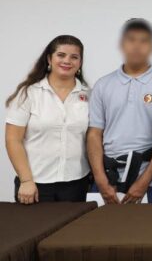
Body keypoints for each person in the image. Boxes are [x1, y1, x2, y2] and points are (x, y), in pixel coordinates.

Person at [87, 19, 152, 204]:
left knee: (149, 232)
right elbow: (94, 133)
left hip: (151, 180)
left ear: (151, 46)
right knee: (102, 232)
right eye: (131, 39)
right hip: (108, 177)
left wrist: (144, 181)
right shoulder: (103, 85)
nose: (136, 46)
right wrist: (100, 179)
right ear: (122, 44)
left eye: (143, 41)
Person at [5, 35, 90, 203]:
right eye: (61, 55)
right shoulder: (28, 93)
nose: (67, 61)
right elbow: (13, 139)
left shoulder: (89, 96)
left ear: (80, 63)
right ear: (49, 59)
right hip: (35, 185)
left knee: (74, 230)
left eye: (74, 57)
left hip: (77, 184)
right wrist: (26, 180)